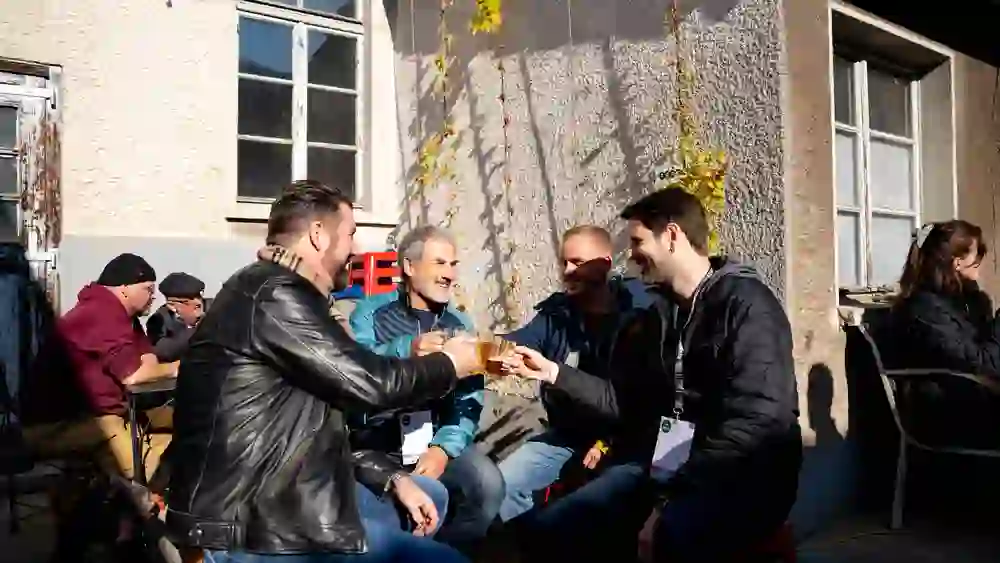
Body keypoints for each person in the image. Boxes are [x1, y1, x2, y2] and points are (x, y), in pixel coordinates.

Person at [166, 180, 482, 563]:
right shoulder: (275, 296)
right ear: (318, 235)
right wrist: (451, 363)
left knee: (430, 493)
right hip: (251, 524)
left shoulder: (280, 291)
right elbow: (368, 383)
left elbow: (331, 422)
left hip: (290, 488)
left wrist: (394, 478)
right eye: (350, 234)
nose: (357, 248)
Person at [508, 188, 802, 563]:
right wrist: (552, 372)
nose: (631, 256)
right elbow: (624, 401)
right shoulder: (660, 316)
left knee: (670, 537)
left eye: (637, 242)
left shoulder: (746, 305)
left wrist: (667, 502)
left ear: (673, 236)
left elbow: (757, 423)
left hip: (743, 476)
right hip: (671, 465)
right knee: (553, 529)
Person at [349, 225, 504, 546]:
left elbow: (469, 396)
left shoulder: (460, 324)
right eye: (440, 263)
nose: (450, 274)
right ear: (409, 266)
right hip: (379, 445)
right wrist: (406, 349)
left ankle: (445, 551)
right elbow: (356, 373)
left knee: (487, 485)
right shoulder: (370, 312)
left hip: (434, 440)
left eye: (453, 264)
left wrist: (443, 448)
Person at [496, 225, 653, 522]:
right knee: (503, 484)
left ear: (605, 264)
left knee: (582, 517)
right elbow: (516, 342)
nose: (568, 271)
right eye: (564, 262)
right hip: (567, 435)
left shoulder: (639, 317)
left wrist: (608, 442)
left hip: (623, 443)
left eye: (578, 263)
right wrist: (474, 348)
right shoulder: (558, 313)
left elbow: (633, 403)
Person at [21, 253, 178, 481]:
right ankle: (157, 499)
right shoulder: (100, 313)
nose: (153, 297)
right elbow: (134, 375)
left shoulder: (125, 317)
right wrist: (178, 367)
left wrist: (149, 368)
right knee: (145, 467)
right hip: (58, 423)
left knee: (187, 418)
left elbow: (148, 360)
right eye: (148, 289)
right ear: (125, 288)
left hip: (106, 412)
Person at [889, 220, 1000, 449]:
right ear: (957, 262)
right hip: (952, 413)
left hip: (978, 400)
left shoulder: (972, 302)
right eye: (977, 255)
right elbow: (982, 363)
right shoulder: (925, 309)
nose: (981, 262)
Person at [146, 271, 206, 362]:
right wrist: (196, 330)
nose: (198, 304)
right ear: (172, 306)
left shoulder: (216, 309)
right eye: (187, 302)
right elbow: (163, 352)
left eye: (199, 297)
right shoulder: (159, 320)